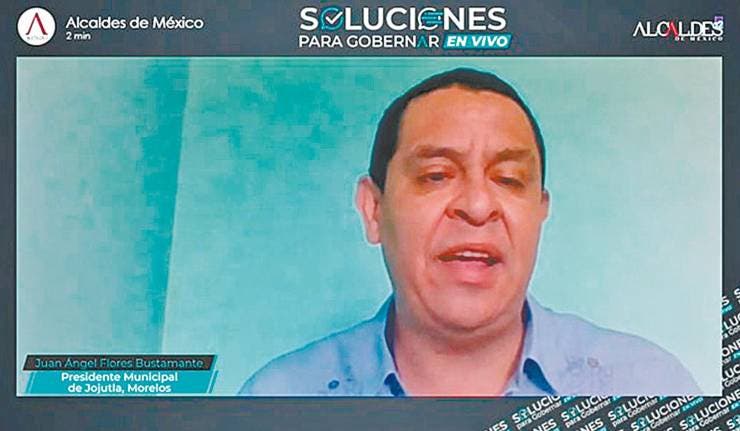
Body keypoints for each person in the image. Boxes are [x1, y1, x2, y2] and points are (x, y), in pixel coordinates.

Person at [239, 68, 699, 396]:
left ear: (540, 212)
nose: (478, 207)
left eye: (509, 179)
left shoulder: (649, 387)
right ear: (373, 209)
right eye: (437, 175)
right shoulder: (279, 397)